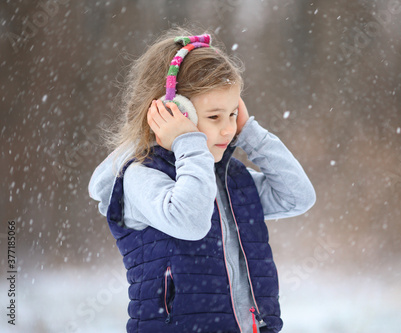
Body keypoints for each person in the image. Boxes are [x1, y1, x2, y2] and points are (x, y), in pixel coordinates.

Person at [88, 26, 316, 333]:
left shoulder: (230, 178)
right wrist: (188, 143)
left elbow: (297, 196)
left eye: (233, 114)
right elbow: (192, 221)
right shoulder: (141, 176)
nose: (228, 129)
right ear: (174, 111)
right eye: (214, 117)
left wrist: (251, 133)